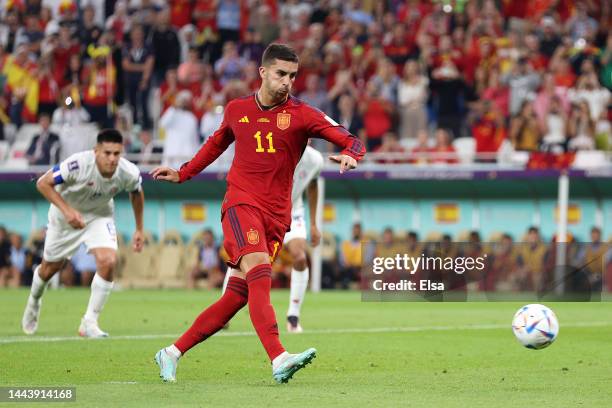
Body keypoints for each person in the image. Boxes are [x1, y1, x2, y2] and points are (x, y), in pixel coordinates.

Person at [151, 43, 365, 384]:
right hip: (241, 204)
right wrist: (184, 172)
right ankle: (278, 357)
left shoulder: (302, 114)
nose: (287, 82)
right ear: (263, 72)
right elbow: (215, 144)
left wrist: (353, 153)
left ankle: (171, 352)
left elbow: (347, 137)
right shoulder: (237, 110)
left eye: (293, 76)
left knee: (236, 296)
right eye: (281, 74)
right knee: (261, 270)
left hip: (277, 218)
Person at [21, 129, 145, 338]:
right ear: (96, 151)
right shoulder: (78, 164)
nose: (112, 159)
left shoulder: (128, 172)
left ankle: (89, 322)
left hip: (99, 216)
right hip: (64, 218)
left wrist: (139, 229)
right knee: (50, 269)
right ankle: (34, 301)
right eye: (107, 153)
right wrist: (68, 212)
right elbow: (43, 183)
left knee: (109, 261)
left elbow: (136, 193)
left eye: (117, 153)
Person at [283, 145, 324, 333]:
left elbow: (313, 185)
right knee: (246, 261)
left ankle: (293, 316)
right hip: (264, 207)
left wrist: (314, 224)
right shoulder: (275, 146)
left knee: (300, 257)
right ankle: (225, 312)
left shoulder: (315, 159)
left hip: (293, 210)